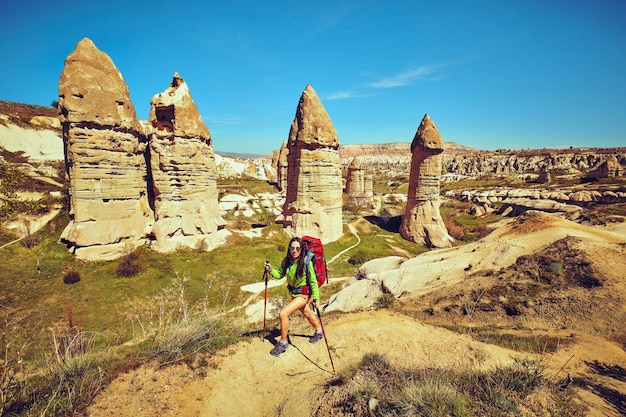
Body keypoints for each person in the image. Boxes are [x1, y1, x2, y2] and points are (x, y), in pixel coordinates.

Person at [265, 237, 323, 356]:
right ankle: (319, 331)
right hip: (294, 294)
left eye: (297, 248)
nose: (294, 250)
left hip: (303, 295)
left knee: (283, 314)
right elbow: (280, 274)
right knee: (307, 312)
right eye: (292, 248)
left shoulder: (306, 263)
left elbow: (313, 281)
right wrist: (270, 270)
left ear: (302, 250)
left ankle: (283, 342)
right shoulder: (287, 261)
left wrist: (316, 298)